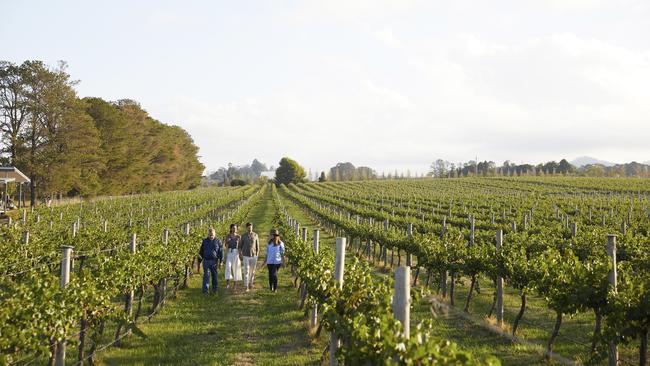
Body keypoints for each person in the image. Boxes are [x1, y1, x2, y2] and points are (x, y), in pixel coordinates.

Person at [198, 228, 223, 294]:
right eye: (210, 234)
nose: (211, 235)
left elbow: (221, 252)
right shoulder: (204, 241)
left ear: (215, 234)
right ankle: (205, 291)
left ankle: (215, 290)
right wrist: (199, 262)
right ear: (208, 234)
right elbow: (201, 252)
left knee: (214, 276)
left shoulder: (218, 241)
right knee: (206, 275)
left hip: (214, 261)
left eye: (212, 234)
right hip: (206, 261)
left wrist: (221, 261)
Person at [239, 222, 260, 292]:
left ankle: (251, 282)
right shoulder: (243, 236)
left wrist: (257, 254)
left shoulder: (255, 235)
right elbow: (240, 246)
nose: (250, 229)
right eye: (248, 228)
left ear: (252, 227)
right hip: (245, 255)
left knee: (253, 270)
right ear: (246, 228)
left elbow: (257, 246)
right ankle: (246, 286)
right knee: (246, 270)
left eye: (251, 227)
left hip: (254, 255)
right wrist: (240, 254)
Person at [265, 229, 285, 293]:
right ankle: (271, 286)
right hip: (270, 262)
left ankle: (275, 288)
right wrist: (264, 262)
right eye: (273, 235)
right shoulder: (269, 243)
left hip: (277, 262)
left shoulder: (281, 243)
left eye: (276, 235)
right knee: (270, 275)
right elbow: (267, 253)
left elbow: (282, 253)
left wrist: (283, 262)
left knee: (274, 274)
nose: (275, 236)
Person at [224, 223, 243, 289]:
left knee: (236, 268)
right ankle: (227, 284)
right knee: (228, 267)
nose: (234, 229)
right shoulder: (228, 236)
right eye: (233, 228)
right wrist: (225, 255)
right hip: (229, 252)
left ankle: (235, 284)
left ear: (237, 229)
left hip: (236, 253)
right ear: (231, 229)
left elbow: (240, 247)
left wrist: (240, 255)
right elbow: (225, 245)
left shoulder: (239, 237)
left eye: (235, 228)